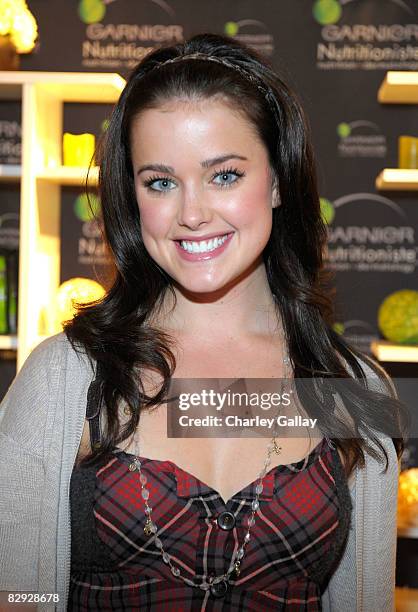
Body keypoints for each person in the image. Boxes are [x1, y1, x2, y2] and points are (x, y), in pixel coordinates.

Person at [0, 33, 408, 611]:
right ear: (133, 194)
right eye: (161, 182)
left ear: (277, 182)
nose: (191, 214)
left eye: (224, 175)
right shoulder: (63, 380)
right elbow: (16, 592)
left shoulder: (353, 393)